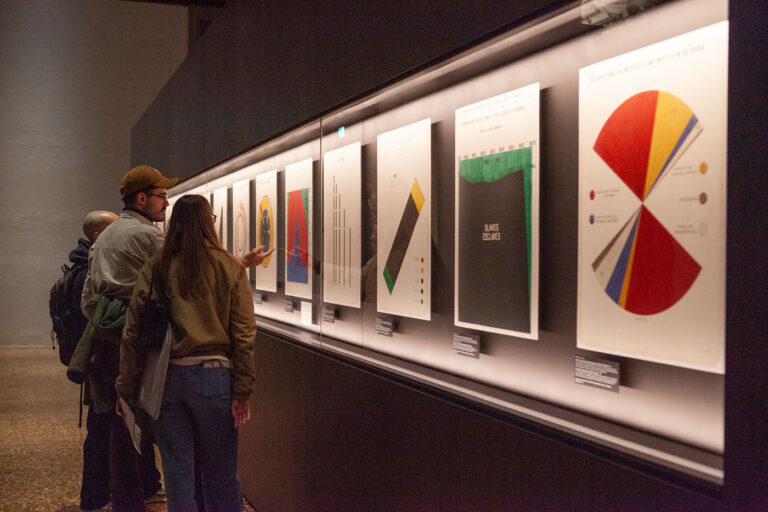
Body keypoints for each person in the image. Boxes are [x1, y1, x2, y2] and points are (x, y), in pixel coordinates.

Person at [116, 194, 257, 511]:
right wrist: (243, 390)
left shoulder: (158, 266)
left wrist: (125, 388)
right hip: (214, 378)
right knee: (221, 476)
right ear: (209, 223)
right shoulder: (228, 266)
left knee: (179, 479)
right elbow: (244, 335)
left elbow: (133, 331)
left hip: (166, 379)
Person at [81, 165, 177, 512]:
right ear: (141, 198)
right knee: (134, 423)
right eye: (161, 196)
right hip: (135, 338)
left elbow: (87, 296)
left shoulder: (106, 235)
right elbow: (179, 279)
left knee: (115, 420)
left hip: (105, 338)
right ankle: (131, 500)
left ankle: (121, 497)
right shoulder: (148, 236)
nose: (166, 203)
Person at [72, 211, 119, 511]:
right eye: (115, 229)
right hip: (100, 361)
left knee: (101, 427)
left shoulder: (83, 264)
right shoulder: (90, 267)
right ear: (98, 236)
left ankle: (97, 494)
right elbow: (94, 315)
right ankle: (95, 496)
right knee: (102, 428)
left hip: (95, 360)